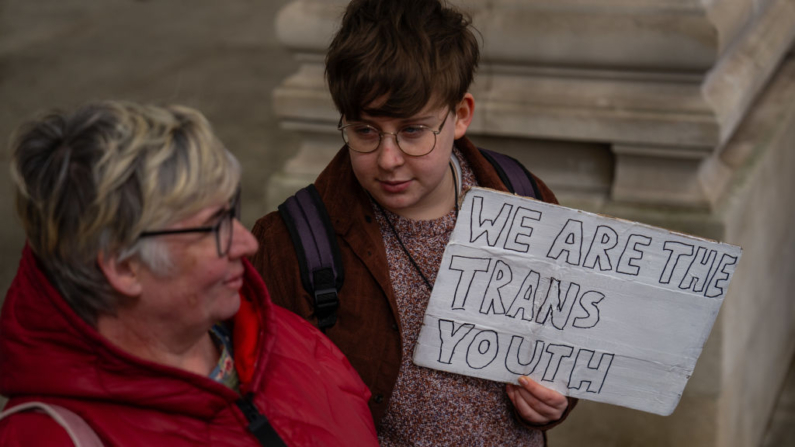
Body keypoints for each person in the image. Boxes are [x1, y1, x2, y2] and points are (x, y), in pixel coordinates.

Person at [251, 0, 576, 445]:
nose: (388, 159)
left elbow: (567, 344)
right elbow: (270, 403)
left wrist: (553, 402)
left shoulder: (526, 198)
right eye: (365, 130)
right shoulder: (290, 244)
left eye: (413, 131)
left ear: (460, 116)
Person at [0, 101, 379, 447]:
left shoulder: (283, 335)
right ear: (123, 267)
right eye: (213, 228)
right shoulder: (49, 437)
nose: (247, 243)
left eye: (231, 211)